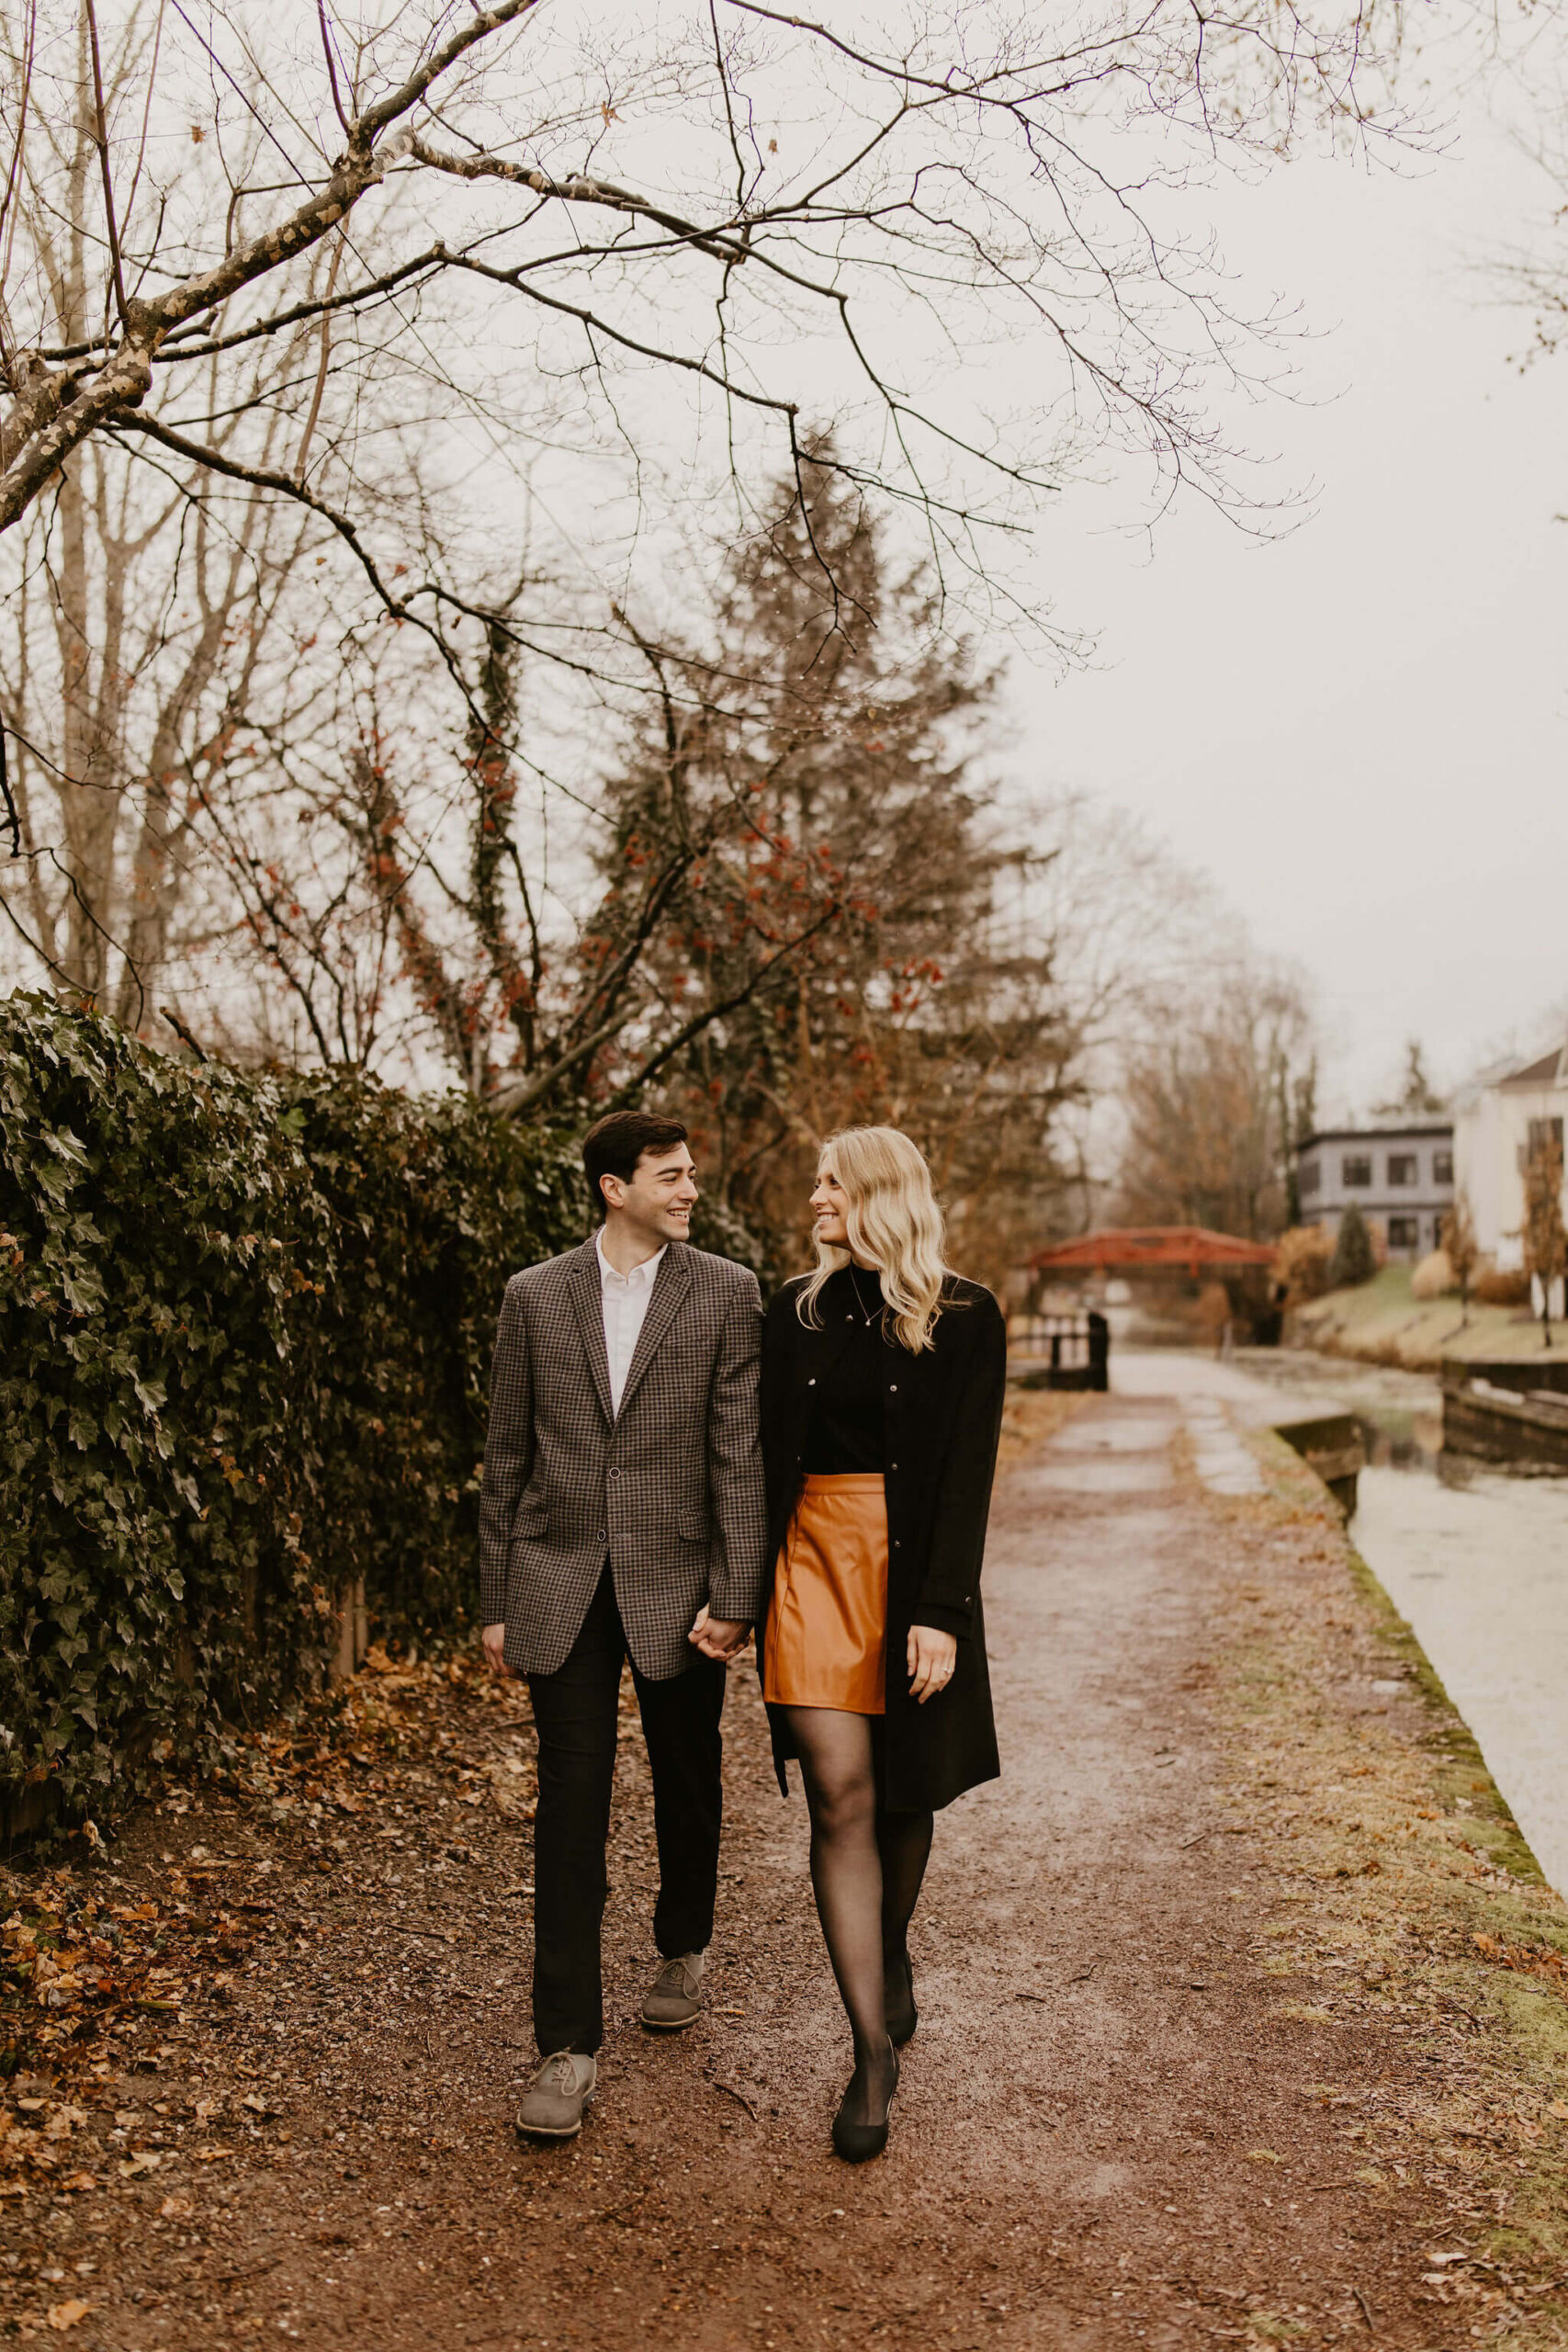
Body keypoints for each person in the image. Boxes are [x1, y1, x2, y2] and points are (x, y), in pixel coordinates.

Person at [479, 1110, 766, 2141]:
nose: (690, 1189)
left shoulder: (727, 1293)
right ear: (614, 1186)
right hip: (559, 1584)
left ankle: (683, 1941)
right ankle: (566, 2046)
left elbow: (739, 1453)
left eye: (692, 1172)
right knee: (571, 1804)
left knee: (687, 1777)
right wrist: (497, 1599)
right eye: (671, 1174)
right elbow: (506, 1455)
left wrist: (738, 1594)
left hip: (680, 1587)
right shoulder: (533, 1296)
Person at [759, 1125, 1006, 2162]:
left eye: (830, 1182)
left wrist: (941, 1611)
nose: (815, 1197)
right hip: (811, 1562)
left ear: (877, 1193)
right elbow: (759, 1460)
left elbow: (967, 1471)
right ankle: (870, 2050)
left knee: (904, 1794)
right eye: (817, 1182)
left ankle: (889, 1952)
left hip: (908, 1574)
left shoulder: (966, 1315)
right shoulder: (794, 1311)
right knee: (842, 1794)